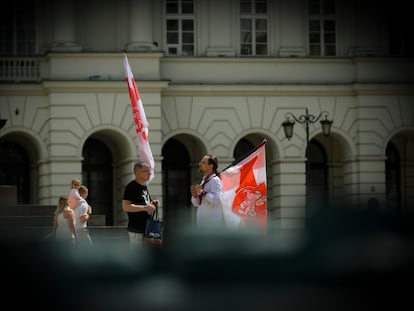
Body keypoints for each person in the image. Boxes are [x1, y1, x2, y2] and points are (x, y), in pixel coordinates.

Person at [122, 161, 159, 249]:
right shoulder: (131, 187)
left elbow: (145, 203)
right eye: (146, 171)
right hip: (136, 229)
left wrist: (153, 204)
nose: (150, 173)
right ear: (138, 173)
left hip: (148, 228)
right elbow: (126, 206)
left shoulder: (144, 186)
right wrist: (145, 207)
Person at [191, 154, 225, 229]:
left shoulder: (215, 181)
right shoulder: (205, 180)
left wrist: (203, 192)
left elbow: (218, 200)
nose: (200, 164)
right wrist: (195, 195)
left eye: (203, 162)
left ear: (211, 166)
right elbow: (197, 204)